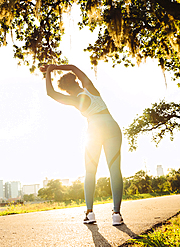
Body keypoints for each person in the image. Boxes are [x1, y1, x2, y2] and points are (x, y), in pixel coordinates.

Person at [40, 64, 124, 226]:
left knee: (90, 172)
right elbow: (73, 67)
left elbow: (50, 93)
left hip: (94, 130)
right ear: (77, 81)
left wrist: (49, 72)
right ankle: (116, 214)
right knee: (114, 170)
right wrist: (56, 66)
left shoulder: (73, 99)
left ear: (66, 90)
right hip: (112, 127)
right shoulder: (90, 88)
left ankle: (90, 213)